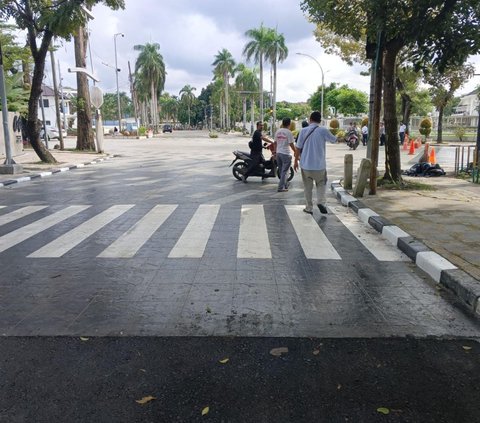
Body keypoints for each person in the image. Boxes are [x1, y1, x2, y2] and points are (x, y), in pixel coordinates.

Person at [294, 111, 337, 215]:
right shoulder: (323, 130)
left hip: (306, 165)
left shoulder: (303, 131)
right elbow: (334, 140)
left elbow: (298, 148)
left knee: (307, 187)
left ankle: (309, 207)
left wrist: (295, 161)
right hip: (319, 165)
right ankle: (321, 202)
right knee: (321, 184)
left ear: (310, 119)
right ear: (320, 120)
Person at [274, 117, 295, 192]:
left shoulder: (278, 131)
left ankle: (285, 185)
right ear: (289, 124)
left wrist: (275, 153)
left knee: (281, 171)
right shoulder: (288, 132)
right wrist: (296, 152)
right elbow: (291, 144)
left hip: (278, 153)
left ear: (282, 123)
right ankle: (280, 187)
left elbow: (275, 143)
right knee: (285, 171)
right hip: (286, 154)